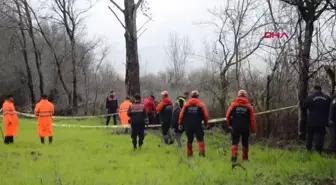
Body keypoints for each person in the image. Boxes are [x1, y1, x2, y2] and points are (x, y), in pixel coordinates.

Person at [226, 90, 256, 162]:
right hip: (245, 127)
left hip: (235, 126)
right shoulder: (249, 106)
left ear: (238, 96)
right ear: (245, 96)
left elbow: (227, 116)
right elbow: (252, 119)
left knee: (235, 141)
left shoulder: (233, 105)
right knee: (245, 142)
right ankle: (245, 158)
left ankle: (234, 157)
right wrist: (253, 130)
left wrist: (229, 124)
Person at [178, 90, 208, 157]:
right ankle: (202, 153)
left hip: (188, 125)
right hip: (198, 124)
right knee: (200, 139)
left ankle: (189, 153)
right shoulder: (201, 104)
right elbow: (206, 115)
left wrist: (180, 123)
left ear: (191, 96)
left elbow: (181, 114)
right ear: (197, 96)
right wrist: (206, 123)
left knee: (189, 139)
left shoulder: (186, 104)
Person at [303, 85, 331, 154]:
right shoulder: (327, 98)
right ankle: (319, 151)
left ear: (314, 89)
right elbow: (331, 108)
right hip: (322, 121)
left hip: (312, 121)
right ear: (321, 90)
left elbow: (304, 107)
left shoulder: (310, 97)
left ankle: (309, 150)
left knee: (310, 135)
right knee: (320, 137)